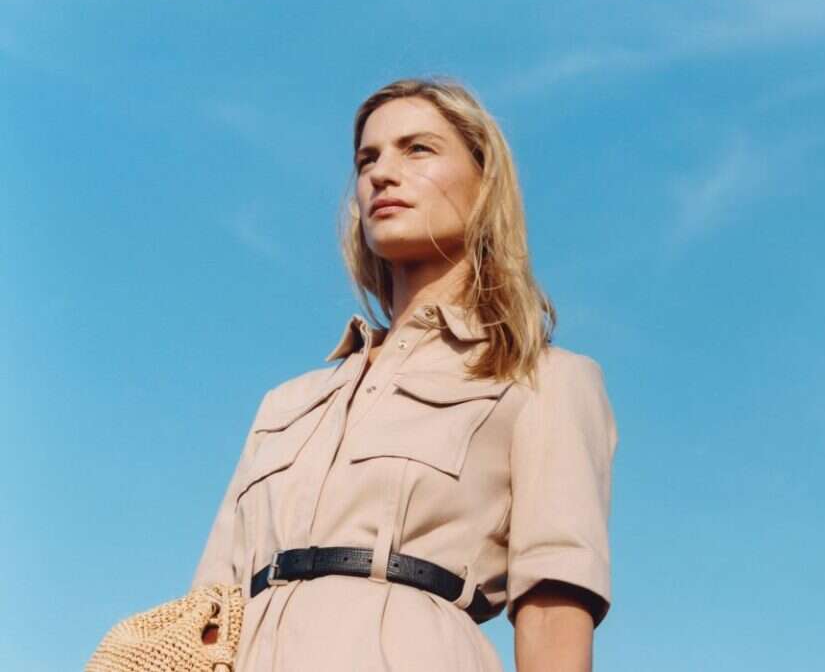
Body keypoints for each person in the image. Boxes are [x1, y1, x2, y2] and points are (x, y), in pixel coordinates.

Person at [189, 76, 617, 671]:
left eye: (418, 149)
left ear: (483, 180)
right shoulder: (286, 404)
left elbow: (551, 609)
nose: (380, 174)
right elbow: (206, 613)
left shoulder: (542, 379)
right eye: (368, 158)